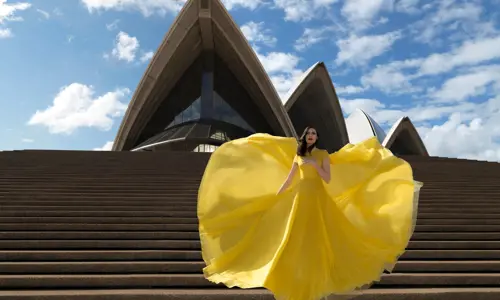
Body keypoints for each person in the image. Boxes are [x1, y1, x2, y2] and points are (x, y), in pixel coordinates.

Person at [197, 126, 422, 300]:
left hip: (317, 197)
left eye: (315, 133)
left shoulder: (322, 155)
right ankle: (294, 279)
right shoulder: (298, 154)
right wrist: (275, 194)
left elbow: (327, 178)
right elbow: (290, 178)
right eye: (310, 133)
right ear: (305, 137)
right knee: (294, 237)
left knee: (319, 237)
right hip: (299, 197)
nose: (312, 135)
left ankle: (316, 283)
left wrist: (315, 165)